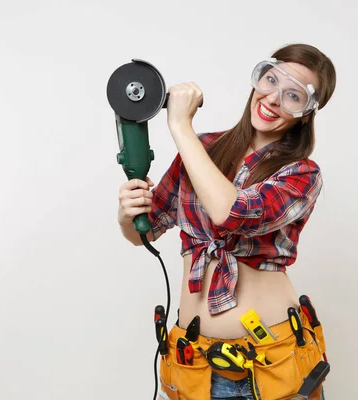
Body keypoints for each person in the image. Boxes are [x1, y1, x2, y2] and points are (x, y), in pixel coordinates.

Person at [118, 43, 336, 400]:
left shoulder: (301, 174)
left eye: (293, 96)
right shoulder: (201, 150)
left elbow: (231, 212)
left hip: (272, 365)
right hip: (194, 366)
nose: (273, 98)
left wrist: (180, 126)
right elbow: (146, 230)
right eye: (270, 80)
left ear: (306, 113)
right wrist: (127, 213)